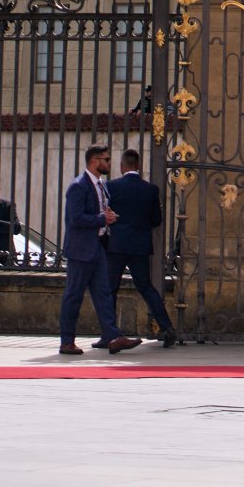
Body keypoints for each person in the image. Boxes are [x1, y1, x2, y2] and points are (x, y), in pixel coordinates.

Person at [58, 144, 142, 355]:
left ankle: (112, 336)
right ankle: (67, 341)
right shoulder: (78, 186)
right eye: (106, 159)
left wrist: (108, 216)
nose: (109, 163)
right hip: (80, 250)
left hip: (99, 246)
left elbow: (99, 211)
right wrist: (101, 218)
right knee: (74, 296)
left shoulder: (101, 185)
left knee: (103, 293)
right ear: (95, 161)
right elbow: (75, 219)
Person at [105, 149, 178, 348]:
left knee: (111, 289)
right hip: (140, 245)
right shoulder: (151, 190)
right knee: (145, 287)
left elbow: (106, 214)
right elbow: (156, 220)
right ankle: (167, 327)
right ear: (138, 166)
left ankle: (110, 334)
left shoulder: (111, 186)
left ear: (122, 166)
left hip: (117, 245)